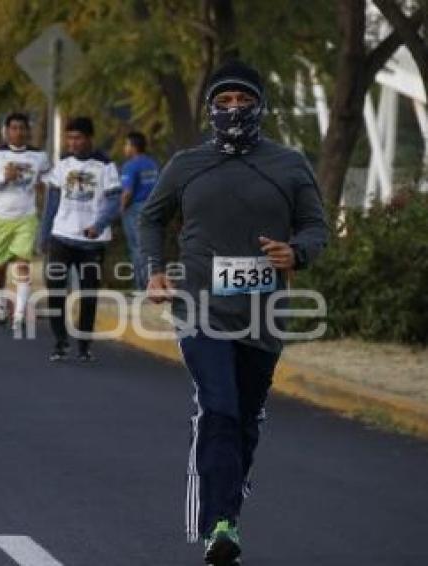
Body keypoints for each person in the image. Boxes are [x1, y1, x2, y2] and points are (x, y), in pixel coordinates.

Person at [139, 60, 328, 566]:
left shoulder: (289, 163)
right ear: (210, 110)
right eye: (223, 102)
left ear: (261, 106)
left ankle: (227, 511)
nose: (234, 110)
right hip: (201, 306)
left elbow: (315, 226)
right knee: (218, 406)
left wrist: (297, 252)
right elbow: (150, 218)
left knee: (246, 418)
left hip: (263, 313)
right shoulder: (187, 163)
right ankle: (218, 525)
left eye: (243, 101)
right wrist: (153, 271)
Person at [40, 116, 121, 362]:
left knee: (88, 294)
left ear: (89, 139)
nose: (72, 142)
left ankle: (84, 344)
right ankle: (60, 341)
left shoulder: (105, 165)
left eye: (77, 138)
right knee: (55, 290)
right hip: (61, 237)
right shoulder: (63, 164)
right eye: (69, 137)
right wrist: (44, 235)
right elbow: (52, 201)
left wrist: (98, 225)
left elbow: (114, 200)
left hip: (91, 242)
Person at [0, 112, 51, 335]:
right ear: (7, 131)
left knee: (23, 264)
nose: (18, 132)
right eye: (13, 128)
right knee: (0, 268)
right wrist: (2, 179)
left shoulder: (39, 156)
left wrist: (44, 185)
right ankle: (0, 303)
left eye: (22, 128)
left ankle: (19, 315)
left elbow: (49, 178)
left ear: (28, 131)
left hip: (26, 217)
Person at [120, 131, 159, 291]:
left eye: (126, 144)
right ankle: (151, 283)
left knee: (137, 248)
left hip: (135, 209)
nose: (125, 148)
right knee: (150, 248)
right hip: (152, 207)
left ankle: (141, 287)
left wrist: (121, 209)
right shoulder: (153, 164)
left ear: (133, 147)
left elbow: (127, 192)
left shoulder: (130, 166)